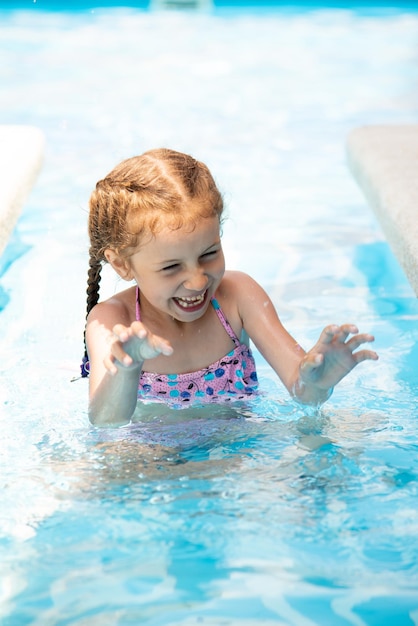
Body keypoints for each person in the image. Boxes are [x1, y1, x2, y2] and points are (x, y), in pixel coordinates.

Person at [82, 148, 378, 427]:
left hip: (234, 451)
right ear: (122, 264)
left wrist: (316, 384)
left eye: (209, 254)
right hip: (153, 459)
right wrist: (127, 367)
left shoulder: (238, 296)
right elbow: (107, 421)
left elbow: (301, 389)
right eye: (172, 267)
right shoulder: (111, 322)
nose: (198, 280)